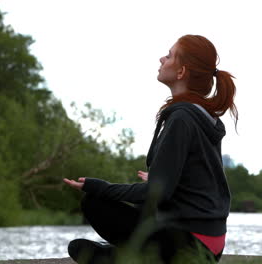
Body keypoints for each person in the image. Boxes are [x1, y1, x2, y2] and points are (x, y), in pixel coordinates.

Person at [63, 34, 237, 264]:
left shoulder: (183, 118)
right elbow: (202, 179)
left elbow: (157, 193)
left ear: (181, 72)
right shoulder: (203, 117)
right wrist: (163, 179)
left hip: (189, 243)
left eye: (169, 55)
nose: (161, 59)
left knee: (94, 204)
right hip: (211, 244)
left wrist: (99, 187)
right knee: (84, 249)